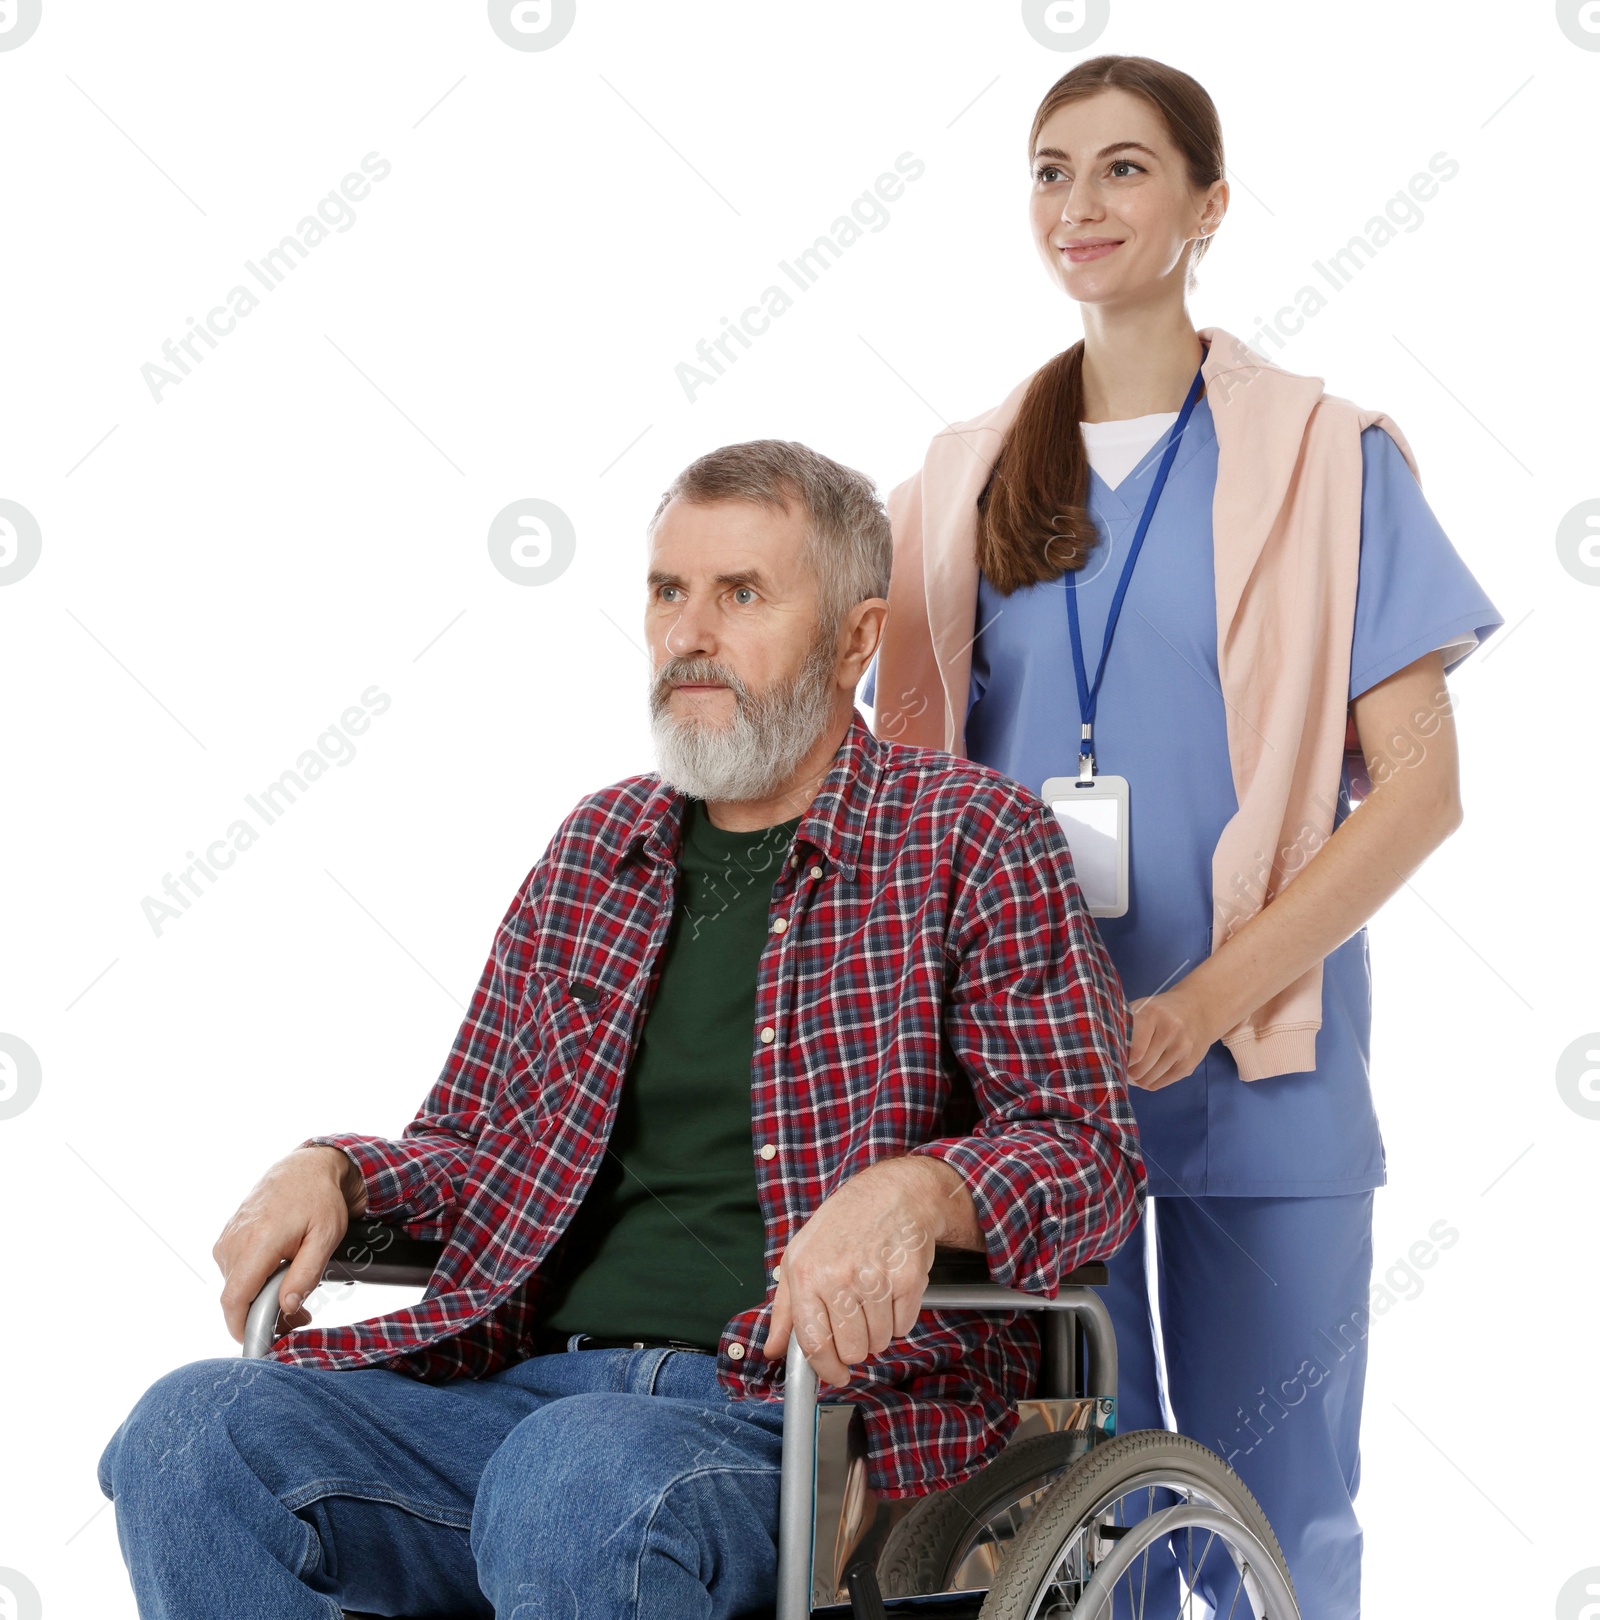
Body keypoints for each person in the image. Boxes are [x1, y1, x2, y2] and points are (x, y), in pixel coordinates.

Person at [96, 439, 1144, 1620]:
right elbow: (472, 1148)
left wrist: (917, 1193)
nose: (689, 633)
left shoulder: (971, 840)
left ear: (855, 638)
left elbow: (1085, 1155)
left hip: (799, 1420)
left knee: (575, 1479)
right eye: (667, 592)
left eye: (740, 594)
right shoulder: (599, 849)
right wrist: (333, 1168)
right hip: (523, 1391)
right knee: (189, 1438)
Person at [864, 54, 1503, 1620]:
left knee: (1280, 1525)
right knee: (1069, 1531)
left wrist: (1204, 1002)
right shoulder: (957, 479)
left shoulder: (1324, 458)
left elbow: (1420, 788)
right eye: (1050, 170)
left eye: (1126, 169)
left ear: (1210, 204)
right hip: (1028, 1082)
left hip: (1256, 1063)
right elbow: (896, 774)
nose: (1081, 204)